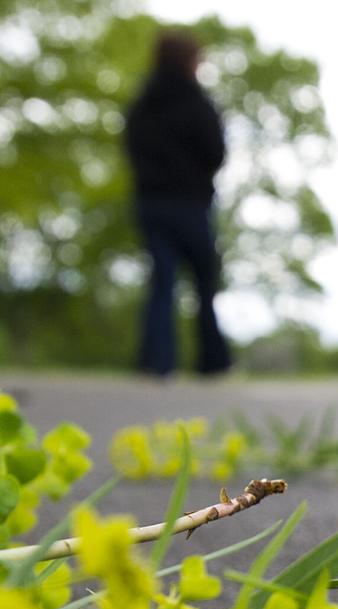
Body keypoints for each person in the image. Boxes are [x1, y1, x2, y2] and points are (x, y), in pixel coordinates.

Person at [125, 31, 231, 377]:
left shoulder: (142, 105)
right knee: (204, 281)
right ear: (189, 61)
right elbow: (216, 153)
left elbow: (131, 150)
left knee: (162, 281)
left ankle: (157, 363)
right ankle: (212, 363)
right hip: (190, 203)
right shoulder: (198, 104)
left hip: (151, 203)